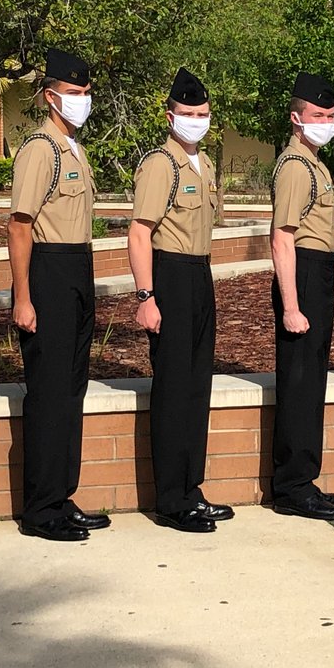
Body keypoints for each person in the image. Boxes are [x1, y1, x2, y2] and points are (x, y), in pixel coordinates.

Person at [9, 49, 109, 542]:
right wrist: (24, 296)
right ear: (51, 97)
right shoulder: (40, 150)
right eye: (73, 94)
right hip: (47, 270)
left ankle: (61, 494)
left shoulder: (74, 149)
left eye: (86, 93)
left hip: (78, 268)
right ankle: (40, 507)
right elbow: (20, 226)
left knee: (72, 390)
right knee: (48, 392)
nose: (82, 101)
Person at [128, 68, 231, 534]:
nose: (196, 120)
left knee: (197, 387)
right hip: (168, 274)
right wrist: (146, 295)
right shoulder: (160, 165)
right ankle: (171, 498)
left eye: (203, 113)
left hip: (199, 274)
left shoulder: (203, 165)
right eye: (188, 113)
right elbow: (139, 232)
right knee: (173, 389)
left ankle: (192, 488)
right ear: (170, 116)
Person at [269, 71, 334, 522]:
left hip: (318, 271)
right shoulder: (297, 165)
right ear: (297, 118)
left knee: (312, 379)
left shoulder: (315, 162)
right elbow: (282, 237)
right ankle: (292, 485)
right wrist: (292, 306)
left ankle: (304, 478)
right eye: (319, 114)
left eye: (331, 115)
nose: (326, 121)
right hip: (301, 273)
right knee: (299, 382)